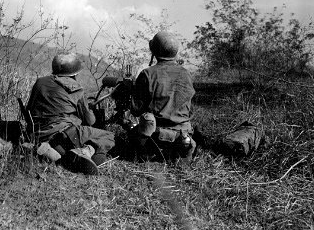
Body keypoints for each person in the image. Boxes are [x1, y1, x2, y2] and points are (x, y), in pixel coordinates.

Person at [26, 52, 115, 175]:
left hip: (37, 132)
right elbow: (90, 121)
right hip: (63, 134)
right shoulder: (76, 88)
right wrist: (89, 111)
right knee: (109, 136)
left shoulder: (40, 83)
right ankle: (84, 152)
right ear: (75, 73)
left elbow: (29, 108)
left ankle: (48, 149)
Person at [129, 31, 197, 162]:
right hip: (184, 134)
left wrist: (132, 92)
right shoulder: (186, 73)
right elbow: (190, 109)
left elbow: (136, 110)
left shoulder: (147, 74)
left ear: (153, 50)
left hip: (157, 136)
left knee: (131, 131)